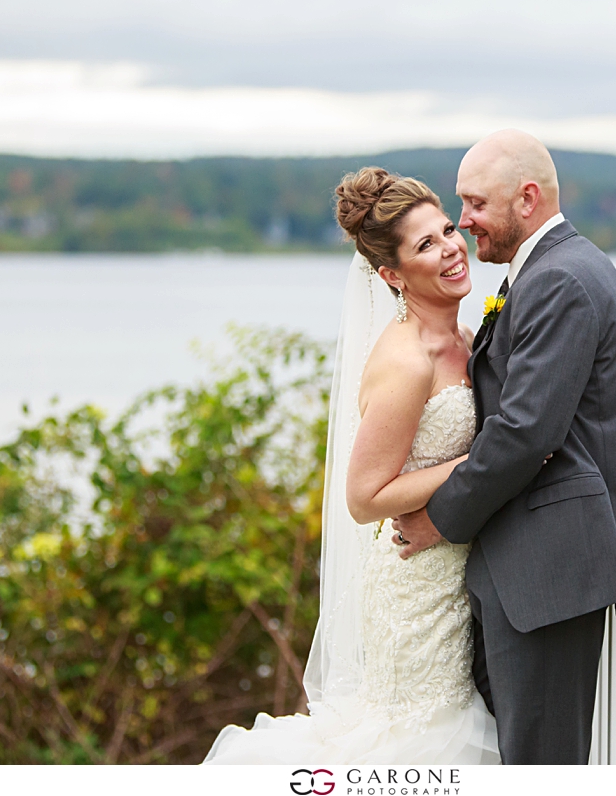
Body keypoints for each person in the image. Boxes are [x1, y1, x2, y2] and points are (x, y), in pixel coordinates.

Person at [202, 167, 500, 764]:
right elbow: (364, 497)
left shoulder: (464, 335)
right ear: (391, 274)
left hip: (457, 576)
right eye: (425, 245)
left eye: (446, 229)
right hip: (417, 592)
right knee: (424, 743)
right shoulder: (408, 362)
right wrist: (479, 462)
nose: (450, 248)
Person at [392, 129, 616, 764]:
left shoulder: (559, 280)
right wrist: (583, 450)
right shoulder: (571, 265)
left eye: (475, 205)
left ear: (526, 198)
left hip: (545, 575)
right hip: (529, 573)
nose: (464, 223)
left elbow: (523, 431)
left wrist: (440, 518)